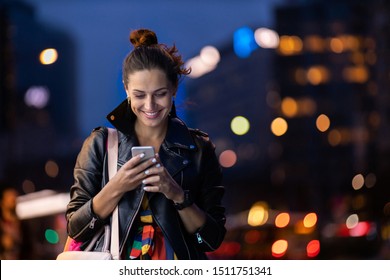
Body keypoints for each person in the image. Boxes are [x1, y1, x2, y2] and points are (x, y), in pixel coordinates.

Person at [65, 28, 226, 259]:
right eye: (139, 95)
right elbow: (76, 229)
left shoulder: (199, 149)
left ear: (173, 90)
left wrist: (177, 194)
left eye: (159, 94)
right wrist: (116, 186)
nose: (150, 106)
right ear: (126, 89)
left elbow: (210, 240)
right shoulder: (101, 144)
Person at [0, 187, 22, 259]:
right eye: (9, 196)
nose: (13, 199)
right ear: (2, 201)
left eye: (15, 196)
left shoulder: (22, 224)